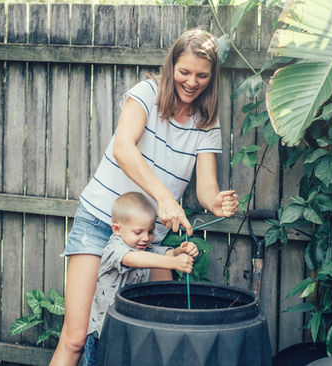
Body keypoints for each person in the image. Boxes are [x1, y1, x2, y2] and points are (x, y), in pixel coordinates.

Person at [49, 28, 239, 366]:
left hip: (151, 239)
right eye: (184, 72)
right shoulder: (146, 93)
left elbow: (206, 188)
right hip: (100, 222)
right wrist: (164, 198)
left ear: (212, 78)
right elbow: (124, 149)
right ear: (171, 67)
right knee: (77, 338)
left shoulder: (207, 124)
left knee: (149, 337)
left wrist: (217, 203)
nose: (192, 82)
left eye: (201, 76)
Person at [82, 192, 199, 366]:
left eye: (150, 231)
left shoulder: (145, 247)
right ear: (117, 229)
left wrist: (180, 252)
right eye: (138, 232)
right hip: (104, 331)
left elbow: (164, 253)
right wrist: (173, 262)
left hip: (129, 330)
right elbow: (132, 259)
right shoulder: (115, 248)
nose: (146, 238)